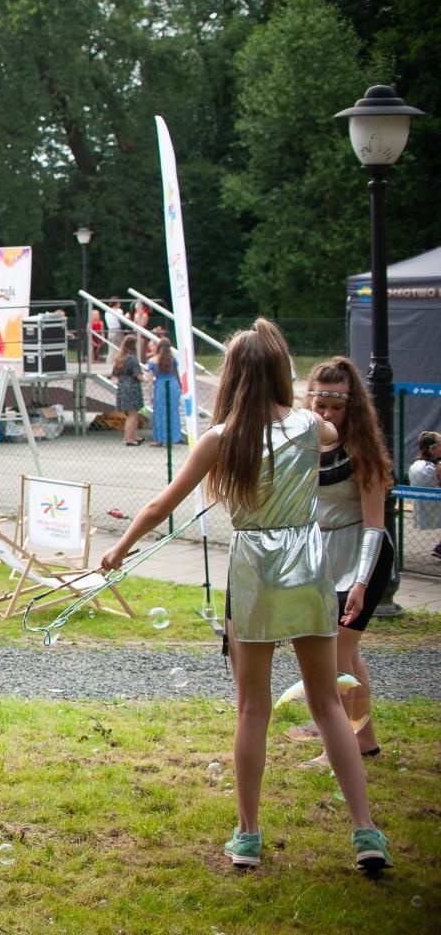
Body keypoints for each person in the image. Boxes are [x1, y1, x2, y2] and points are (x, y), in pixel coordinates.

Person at [99, 319, 391, 873]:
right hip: (309, 564)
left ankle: (249, 835)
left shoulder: (222, 438)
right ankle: (366, 831)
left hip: (255, 568)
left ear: (232, 376)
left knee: (252, 708)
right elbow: (331, 433)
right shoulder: (311, 426)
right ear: (283, 373)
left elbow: (162, 506)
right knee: (329, 703)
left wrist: (120, 551)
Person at [281, 359, 394, 767]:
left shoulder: (364, 454)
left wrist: (361, 584)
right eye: (319, 404)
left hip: (363, 555)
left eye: (335, 407)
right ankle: (363, 741)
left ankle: (337, 750)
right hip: (321, 558)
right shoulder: (301, 445)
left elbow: (375, 526)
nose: (325, 415)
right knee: (347, 656)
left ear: (352, 408)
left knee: (335, 658)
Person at [407, 431, 441, 558]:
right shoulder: (435, 467)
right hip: (434, 504)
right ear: (432, 449)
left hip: (423, 504)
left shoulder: (415, 465)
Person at [146, 337, 181, 445]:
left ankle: (159, 439)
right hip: (173, 385)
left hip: (160, 386)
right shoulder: (172, 360)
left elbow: (150, 381)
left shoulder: (152, 360)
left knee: (159, 413)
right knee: (172, 413)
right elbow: (176, 375)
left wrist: (149, 395)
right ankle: (172, 438)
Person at [112, 336, 145, 446]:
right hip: (132, 388)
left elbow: (115, 374)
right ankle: (130, 438)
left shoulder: (119, 358)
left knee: (130, 414)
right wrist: (145, 380)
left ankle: (130, 436)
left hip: (122, 387)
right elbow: (138, 375)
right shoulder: (132, 358)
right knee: (133, 415)